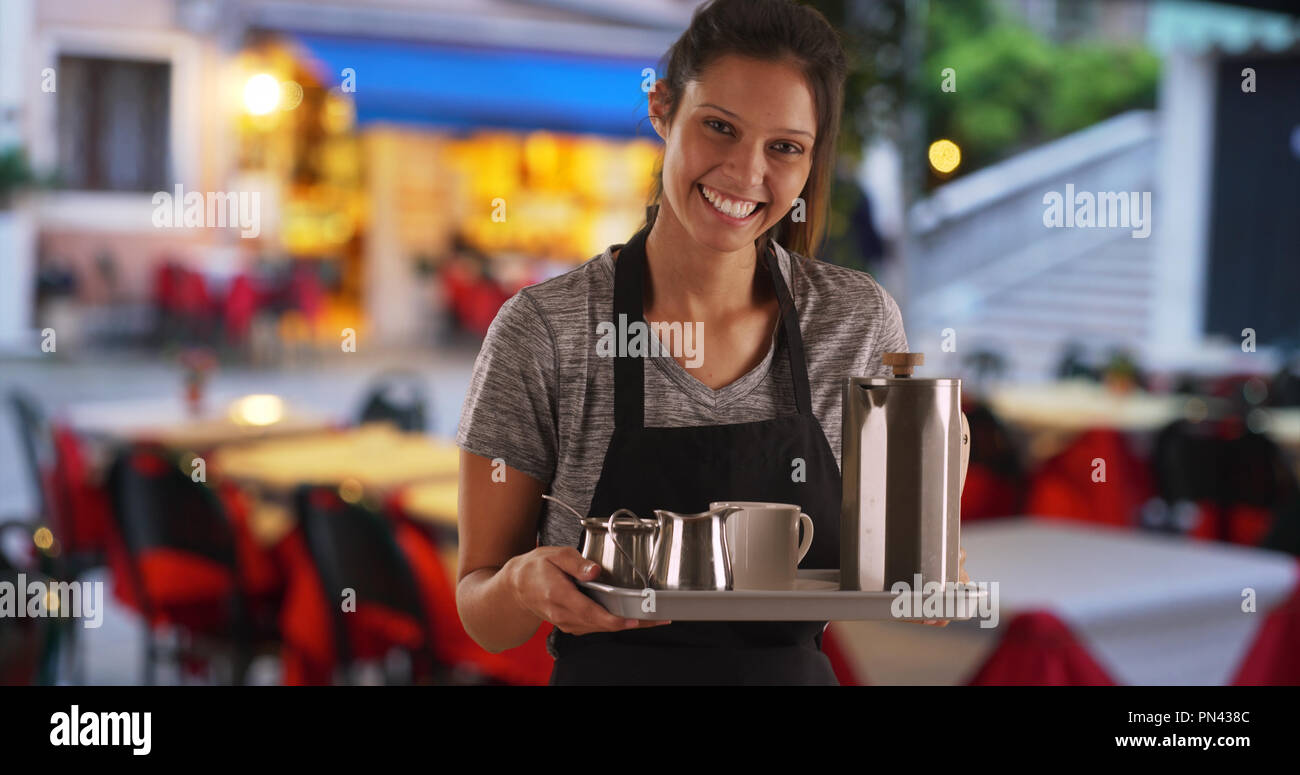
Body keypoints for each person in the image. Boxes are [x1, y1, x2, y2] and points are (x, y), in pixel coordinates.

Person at [455, 0, 962, 685]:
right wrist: (519, 585)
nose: (745, 172)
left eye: (785, 147)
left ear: (812, 160)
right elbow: (481, 608)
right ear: (662, 109)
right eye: (719, 127)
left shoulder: (855, 320)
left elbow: (895, 556)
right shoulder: (546, 331)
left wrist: (927, 553)